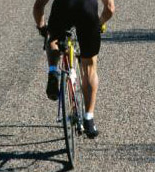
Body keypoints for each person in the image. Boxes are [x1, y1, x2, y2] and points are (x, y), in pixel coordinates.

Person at [33, 0, 115, 139]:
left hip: (64, 7)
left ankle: (53, 70)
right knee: (89, 66)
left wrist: (42, 28)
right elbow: (110, 8)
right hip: (87, 10)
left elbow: (38, 6)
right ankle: (89, 119)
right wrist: (99, 24)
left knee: (53, 40)